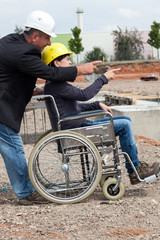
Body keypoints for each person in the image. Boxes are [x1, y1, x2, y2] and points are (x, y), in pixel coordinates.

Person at [0, 10, 102, 205]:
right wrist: (80, 70)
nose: (48, 43)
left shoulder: (12, 40)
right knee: (14, 148)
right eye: (46, 38)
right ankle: (27, 193)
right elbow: (49, 73)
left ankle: (26, 191)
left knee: (11, 147)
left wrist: (33, 89)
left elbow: (11, 74)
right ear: (35, 36)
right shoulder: (25, 53)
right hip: (3, 108)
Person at [42, 43, 160, 185]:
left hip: (77, 126)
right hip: (78, 130)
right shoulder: (57, 85)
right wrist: (103, 78)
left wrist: (97, 104)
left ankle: (135, 167)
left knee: (125, 119)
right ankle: (134, 170)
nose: (70, 62)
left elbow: (74, 107)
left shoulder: (54, 84)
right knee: (125, 125)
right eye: (67, 59)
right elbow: (84, 95)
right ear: (56, 63)